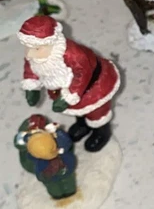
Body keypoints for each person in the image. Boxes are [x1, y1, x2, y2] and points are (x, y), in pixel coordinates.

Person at [19, 16, 120, 152]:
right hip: (64, 89)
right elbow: (31, 67)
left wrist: (68, 96)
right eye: (27, 48)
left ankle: (101, 132)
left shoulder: (74, 55)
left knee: (97, 112)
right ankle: (82, 124)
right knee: (78, 109)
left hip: (92, 88)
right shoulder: (37, 55)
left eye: (36, 49)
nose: (29, 54)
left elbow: (82, 74)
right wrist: (32, 85)